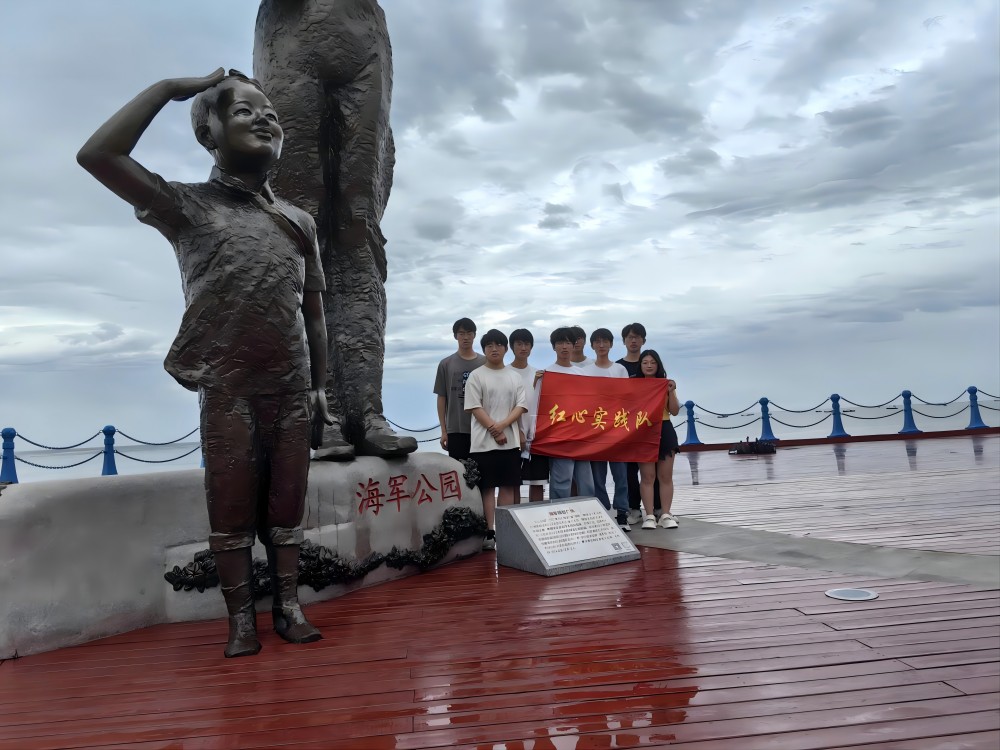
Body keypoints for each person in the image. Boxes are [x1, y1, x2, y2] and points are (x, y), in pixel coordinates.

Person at [77, 69, 334, 657]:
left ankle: (289, 605)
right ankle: (240, 619)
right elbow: (98, 156)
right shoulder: (186, 205)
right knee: (231, 503)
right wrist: (169, 89)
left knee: (288, 504)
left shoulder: (298, 221)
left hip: (291, 384)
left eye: (271, 113)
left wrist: (320, 388)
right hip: (227, 384)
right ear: (208, 134)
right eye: (243, 111)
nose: (264, 119)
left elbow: (314, 316)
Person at [465, 330, 528, 550]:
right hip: (483, 444)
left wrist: (502, 426)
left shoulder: (514, 376)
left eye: (498, 345)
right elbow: (475, 407)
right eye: (489, 345)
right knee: (487, 488)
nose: (494, 349)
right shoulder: (476, 375)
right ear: (484, 349)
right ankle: (489, 533)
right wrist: (495, 429)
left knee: (508, 487)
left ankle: (505, 530)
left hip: (510, 442)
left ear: (505, 348)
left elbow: (520, 406)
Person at [535, 327, 596, 499]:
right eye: (560, 343)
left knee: (586, 482)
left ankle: (587, 513)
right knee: (562, 481)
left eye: (568, 342)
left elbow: (590, 404)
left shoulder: (582, 374)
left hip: (580, 435)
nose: (564, 347)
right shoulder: (547, 374)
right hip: (558, 436)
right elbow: (538, 406)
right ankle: (559, 513)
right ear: (553, 346)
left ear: (574, 345)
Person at [586, 328, 632, 530]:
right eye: (597, 342)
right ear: (592, 345)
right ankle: (603, 511)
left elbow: (628, 398)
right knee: (598, 476)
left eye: (605, 341)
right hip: (596, 430)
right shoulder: (586, 371)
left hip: (617, 430)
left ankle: (622, 513)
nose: (601, 345)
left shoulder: (620, 370)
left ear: (611, 344)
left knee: (621, 474)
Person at [617, 322, 658, 524]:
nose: (633, 341)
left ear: (643, 340)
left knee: (652, 469)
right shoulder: (618, 367)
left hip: (649, 426)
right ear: (624, 341)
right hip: (625, 426)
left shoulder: (650, 364)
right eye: (630, 337)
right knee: (629, 471)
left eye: (637, 337)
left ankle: (657, 508)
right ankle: (633, 508)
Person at [636, 350, 681, 530]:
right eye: (645, 362)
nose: (649, 365)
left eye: (652, 362)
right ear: (640, 365)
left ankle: (665, 514)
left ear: (658, 365)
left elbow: (675, 411)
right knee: (647, 476)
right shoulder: (634, 385)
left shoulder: (665, 384)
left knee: (665, 476)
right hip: (643, 431)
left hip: (665, 428)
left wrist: (672, 391)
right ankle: (649, 516)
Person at [433, 318, 486, 460]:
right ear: (455, 336)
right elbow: (442, 398)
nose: (465, 337)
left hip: (482, 427)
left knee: (483, 472)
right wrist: (444, 431)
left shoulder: (485, 362)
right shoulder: (446, 364)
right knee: (459, 470)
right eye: (461, 333)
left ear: (474, 335)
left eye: (469, 333)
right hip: (455, 429)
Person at [509, 328, 547, 502]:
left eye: (526, 344)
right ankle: (513, 515)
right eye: (519, 344)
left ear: (531, 347)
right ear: (512, 347)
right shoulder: (506, 373)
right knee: (513, 482)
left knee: (538, 481)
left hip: (537, 436)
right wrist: (518, 431)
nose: (523, 348)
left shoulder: (539, 374)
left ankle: (536, 516)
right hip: (512, 434)